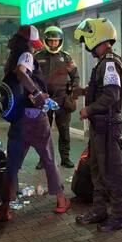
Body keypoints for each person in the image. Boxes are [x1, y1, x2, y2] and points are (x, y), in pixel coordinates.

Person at [0, 24, 71, 221]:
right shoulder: (26, 56)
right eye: (33, 45)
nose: (35, 48)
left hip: (18, 119)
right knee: (49, 159)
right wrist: (37, 93)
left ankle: (5, 208)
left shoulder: (11, 59)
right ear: (29, 43)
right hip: (35, 119)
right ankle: (61, 201)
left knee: (12, 164)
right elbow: (22, 73)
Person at [73, 18, 122, 232]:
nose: (87, 46)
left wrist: (89, 110)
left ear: (97, 37)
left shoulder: (110, 63)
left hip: (108, 126)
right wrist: (84, 92)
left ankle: (119, 216)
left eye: (87, 40)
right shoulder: (103, 63)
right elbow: (103, 90)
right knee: (97, 170)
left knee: (111, 172)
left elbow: (111, 95)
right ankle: (99, 210)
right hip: (100, 127)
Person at [34, 26, 80, 169]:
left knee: (64, 131)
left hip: (62, 100)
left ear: (60, 41)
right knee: (43, 131)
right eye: (51, 41)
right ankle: (43, 159)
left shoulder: (66, 57)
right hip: (44, 100)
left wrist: (73, 93)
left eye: (56, 41)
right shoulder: (38, 56)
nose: (53, 43)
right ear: (46, 40)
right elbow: (31, 77)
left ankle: (65, 158)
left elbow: (75, 77)